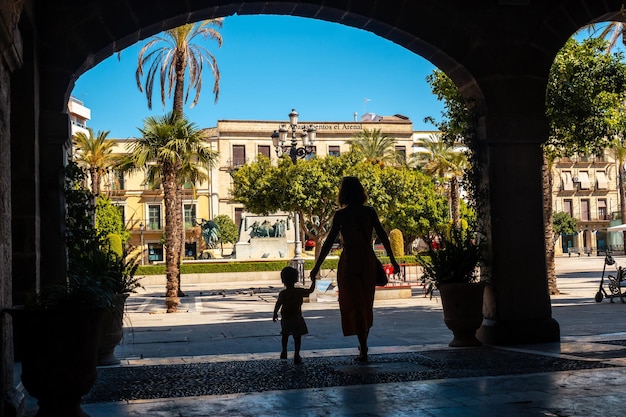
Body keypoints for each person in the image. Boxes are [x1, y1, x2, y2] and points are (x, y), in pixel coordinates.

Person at [309, 176, 400, 363]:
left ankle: (363, 347)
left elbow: (327, 244)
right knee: (366, 303)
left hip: (349, 261)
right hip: (367, 260)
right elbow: (383, 235)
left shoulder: (341, 215)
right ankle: (364, 344)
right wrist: (393, 260)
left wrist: (316, 266)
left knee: (353, 303)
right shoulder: (370, 212)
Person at [273, 266, 316, 364]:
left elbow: (278, 304)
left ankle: (284, 351)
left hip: (286, 317)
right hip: (296, 317)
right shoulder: (299, 292)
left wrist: (275, 313)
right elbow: (310, 291)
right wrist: (314, 281)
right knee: (297, 337)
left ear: (283, 280)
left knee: (285, 335)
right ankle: (297, 354)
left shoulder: (283, 293)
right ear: (296, 279)